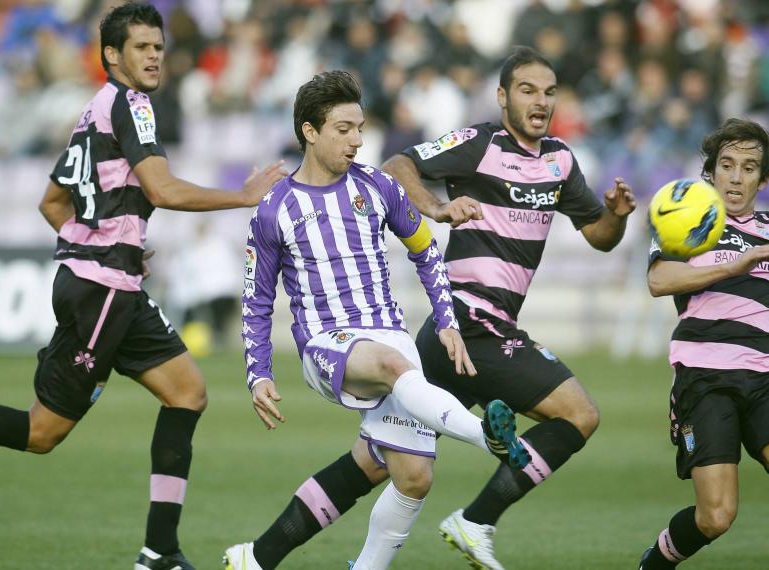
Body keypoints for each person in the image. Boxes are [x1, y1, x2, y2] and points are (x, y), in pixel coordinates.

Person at [225, 46, 637, 570]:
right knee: (575, 412)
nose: (356, 140)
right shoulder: (280, 206)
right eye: (527, 89)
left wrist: (616, 217)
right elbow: (257, 297)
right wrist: (257, 373)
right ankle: (485, 460)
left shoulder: (380, 185)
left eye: (549, 91)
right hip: (349, 341)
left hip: (419, 334)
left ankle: (256, 558)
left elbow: (426, 246)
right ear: (503, 96)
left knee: (400, 471)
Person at [0, 3, 285, 569]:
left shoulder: (93, 111)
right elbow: (162, 189)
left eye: (159, 47)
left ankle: (158, 551)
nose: (154, 57)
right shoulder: (131, 106)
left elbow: (52, 201)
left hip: (109, 283)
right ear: (112, 55)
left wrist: (100, 242)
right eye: (141, 47)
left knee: (188, 392)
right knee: (41, 432)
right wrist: (243, 197)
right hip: (103, 291)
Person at [638, 119, 769, 569]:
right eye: (727, 165)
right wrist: (737, 265)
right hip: (706, 376)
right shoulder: (691, 221)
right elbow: (659, 280)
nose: (737, 177)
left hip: (766, 378)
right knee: (716, 517)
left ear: (762, 178)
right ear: (710, 173)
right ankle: (652, 565)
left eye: (749, 167)